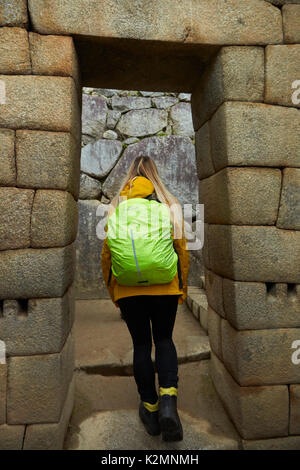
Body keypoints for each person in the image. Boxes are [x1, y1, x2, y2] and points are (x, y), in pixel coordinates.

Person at [101, 156, 190, 441]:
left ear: (130, 176)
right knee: (164, 340)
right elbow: (182, 250)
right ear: (154, 176)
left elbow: (107, 255)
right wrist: (181, 287)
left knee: (141, 344)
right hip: (165, 286)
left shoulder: (116, 206)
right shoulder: (168, 203)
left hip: (128, 289)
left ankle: (149, 410)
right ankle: (167, 404)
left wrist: (113, 291)